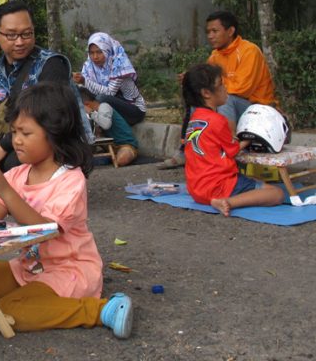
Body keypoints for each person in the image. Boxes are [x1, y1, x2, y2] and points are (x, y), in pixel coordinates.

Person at [0, 82, 133, 337]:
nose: (16, 141)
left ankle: (99, 310)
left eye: (25, 134)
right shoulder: (18, 174)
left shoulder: (70, 180)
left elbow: (46, 229)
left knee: (12, 312)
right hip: (30, 267)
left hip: (69, 269)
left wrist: (5, 189)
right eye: (14, 132)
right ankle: (35, 300)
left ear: (54, 133)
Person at [0, 0, 93, 172]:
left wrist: (3, 146)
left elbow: (48, 118)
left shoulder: (51, 64)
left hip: (56, 145)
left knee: (13, 163)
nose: (20, 42)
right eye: (11, 35)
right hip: (20, 142)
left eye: (27, 34)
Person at [159, 11, 278, 169]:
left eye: (215, 31)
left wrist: (213, 85)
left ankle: (229, 152)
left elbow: (242, 89)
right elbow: (208, 84)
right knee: (198, 98)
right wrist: (192, 79)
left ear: (230, 31)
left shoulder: (249, 51)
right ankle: (188, 150)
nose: (210, 36)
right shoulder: (215, 55)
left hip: (258, 110)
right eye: (208, 32)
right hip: (233, 104)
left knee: (226, 100)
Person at [182, 64, 283, 216]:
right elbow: (233, 150)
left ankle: (222, 198)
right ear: (206, 93)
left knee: (253, 180)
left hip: (197, 189)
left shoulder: (194, 119)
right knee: (277, 194)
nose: (225, 88)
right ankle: (227, 202)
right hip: (218, 187)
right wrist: (250, 138)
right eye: (221, 84)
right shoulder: (218, 120)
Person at [73, 32, 146, 126]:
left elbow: (109, 93)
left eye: (99, 52)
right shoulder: (89, 66)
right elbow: (85, 90)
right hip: (111, 104)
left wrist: (84, 81)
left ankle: (99, 122)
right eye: (91, 53)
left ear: (107, 50)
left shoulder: (119, 65)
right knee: (78, 94)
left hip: (134, 110)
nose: (95, 57)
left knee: (101, 98)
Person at [80, 88, 139, 167]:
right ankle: (108, 157)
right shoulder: (91, 115)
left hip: (125, 144)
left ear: (86, 105)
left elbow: (106, 125)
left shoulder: (104, 106)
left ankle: (108, 158)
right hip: (108, 145)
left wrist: (91, 112)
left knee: (122, 159)